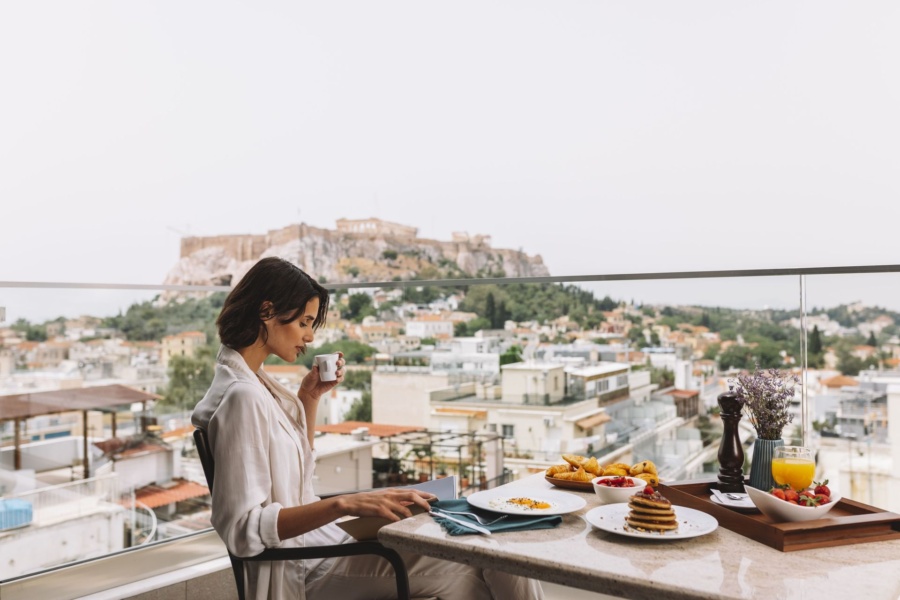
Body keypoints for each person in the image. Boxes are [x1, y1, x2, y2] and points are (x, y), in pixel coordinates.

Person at [192, 257, 544, 600]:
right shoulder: (242, 397)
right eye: (304, 322)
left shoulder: (255, 384)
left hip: (326, 546)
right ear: (267, 311)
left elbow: (295, 483)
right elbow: (242, 530)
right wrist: (346, 504)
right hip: (305, 570)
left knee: (485, 549)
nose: (310, 337)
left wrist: (309, 398)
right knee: (485, 560)